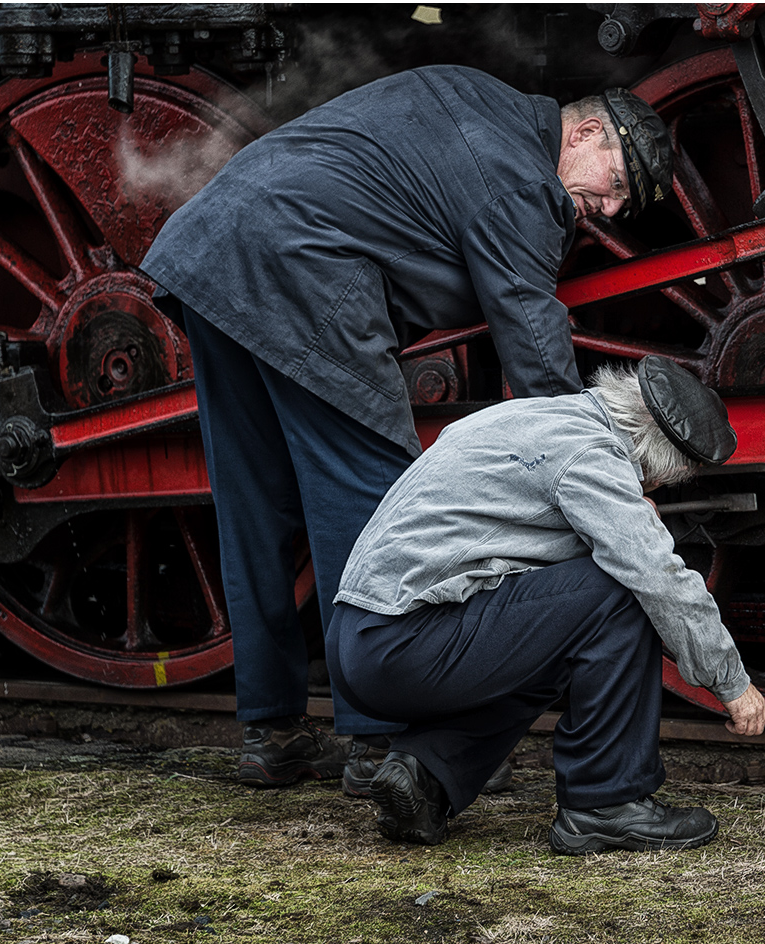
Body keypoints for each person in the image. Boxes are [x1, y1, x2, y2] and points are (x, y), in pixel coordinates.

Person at [138, 66, 674, 793]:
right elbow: (533, 338)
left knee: (255, 507)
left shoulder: (474, 92)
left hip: (213, 248)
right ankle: (376, 738)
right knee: (374, 502)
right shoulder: (523, 177)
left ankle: (272, 733)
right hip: (304, 271)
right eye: (615, 183)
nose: (606, 210)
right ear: (582, 132)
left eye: (620, 204)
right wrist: (604, 473)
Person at [325, 356, 765, 853]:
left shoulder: (529, 417)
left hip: (357, 638)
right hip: (408, 642)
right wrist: (731, 681)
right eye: (662, 481)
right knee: (619, 592)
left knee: (556, 633)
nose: (655, 491)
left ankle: (426, 772)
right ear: (654, 463)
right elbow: (656, 575)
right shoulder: (591, 456)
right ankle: (605, 800)